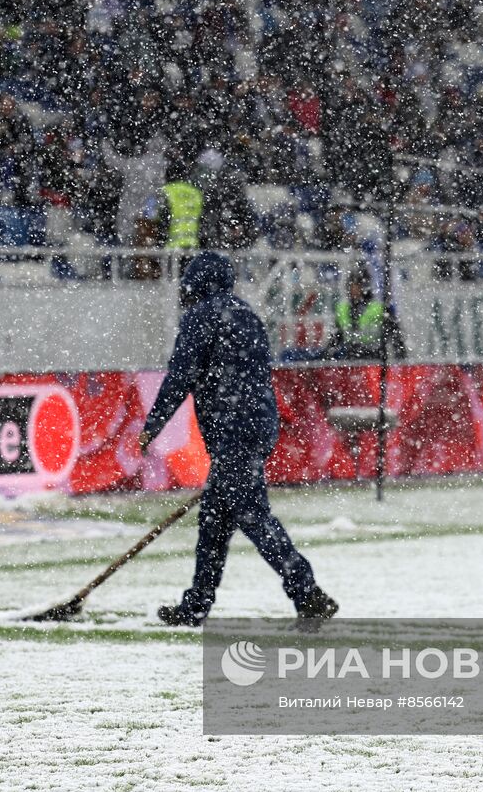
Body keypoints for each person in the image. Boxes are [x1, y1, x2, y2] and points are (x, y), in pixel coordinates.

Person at [138, 252, 338, 630]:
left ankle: (307, 591)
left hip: (233, 433)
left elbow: (180, 375)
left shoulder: (201, 317)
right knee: (213, 524)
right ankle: (195, 607)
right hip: (256, 428)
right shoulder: (246, 315)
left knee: (253, 518)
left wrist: (153, 426)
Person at [325, 266, 406, 361]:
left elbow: (395, 337)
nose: (354, 291)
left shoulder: (379, 308)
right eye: (352, 286)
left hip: (374, 359)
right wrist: (328, 357)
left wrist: (401, 360)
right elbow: (335, 338)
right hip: (350, 358)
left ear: (364, 288)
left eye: (358, 286)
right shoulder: (342, 309)